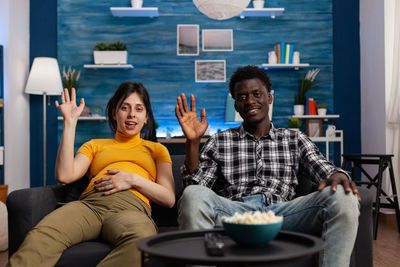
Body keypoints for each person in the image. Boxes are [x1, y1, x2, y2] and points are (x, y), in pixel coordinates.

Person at [175, 65, 360, 267]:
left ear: (269, 98)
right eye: (242, 97)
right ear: (236, 105)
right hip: (235, 214)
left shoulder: (294, 138)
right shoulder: (220, 140)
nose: (251, 101)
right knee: (193, 194)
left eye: (257, 94)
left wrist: (338, 174)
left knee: (343, 195)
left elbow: (322, 167)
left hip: (283, 213)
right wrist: (192, 142)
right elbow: (196, 187)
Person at [8, 82, 175, 267]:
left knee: (141, 242)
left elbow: (168, 198)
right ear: (114, 113)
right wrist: (69, 123)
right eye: (124, 108)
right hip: (90, 206)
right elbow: (65, 175)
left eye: (139, 109)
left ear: (146, 117)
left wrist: (132, 179)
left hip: (131, 208)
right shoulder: (94, 145)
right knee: (42, 235)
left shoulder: (157, 150)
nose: (132, 115)